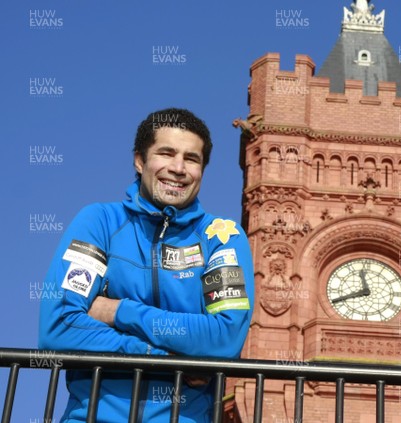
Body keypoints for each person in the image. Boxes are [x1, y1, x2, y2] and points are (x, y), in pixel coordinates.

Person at [38, 108, 254, 422]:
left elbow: (224, 338)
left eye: (191, 159)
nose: (178, 168)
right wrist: (163, 357)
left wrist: (117, 311)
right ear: (140, 161)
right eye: (166, 153)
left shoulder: (222, 235)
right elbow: (57, 328)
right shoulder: (99, 221)